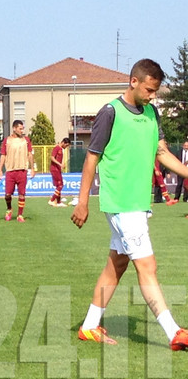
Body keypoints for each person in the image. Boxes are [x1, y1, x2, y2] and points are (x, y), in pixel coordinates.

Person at [71, 59, 188, 351]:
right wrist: (82, 201)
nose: (152, 96)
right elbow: (91, 159)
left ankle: (88, 326)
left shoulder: (152, 113)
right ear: (133, 81)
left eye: (156, 91)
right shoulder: (110, 113)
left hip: (138, 202)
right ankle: (174, 332)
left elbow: (161, 152)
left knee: (117, 264)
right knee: (147, 265)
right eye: (149, 89)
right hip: (121, 203)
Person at [0, 120, 35, 222]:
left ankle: (20, 215)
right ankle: (9, 209)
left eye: (23, 128)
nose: (22, 131)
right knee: (7, 194)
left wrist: (32, 168)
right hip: (10, 171)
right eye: (20, 128)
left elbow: (30, 154)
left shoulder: (26, 140)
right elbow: (3, 155)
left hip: (22, 170)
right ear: (14, 128)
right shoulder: (7, 141)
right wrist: (0, 170)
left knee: (22, 194)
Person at [48, 137, 71, 207]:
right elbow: (52, 157)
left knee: (59, 185)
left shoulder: (60, 149)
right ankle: (52, 200)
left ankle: (58, 202)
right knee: (60, 185)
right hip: (54, 169)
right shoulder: (57, 148)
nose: (66, 147)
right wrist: (60, 164)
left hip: (57, 169)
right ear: (63, 143)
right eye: (66, 145)